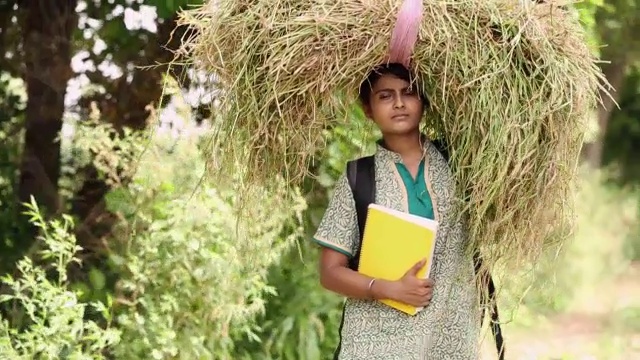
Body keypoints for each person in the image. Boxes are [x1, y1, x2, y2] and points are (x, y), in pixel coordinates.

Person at [313, 63, 480, 359]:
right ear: (368, 109)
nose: (399, 103)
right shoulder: (359, 177)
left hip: (451, 340)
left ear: (424, 101)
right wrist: (388, 289)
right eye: (385, 96)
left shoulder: (462, 163)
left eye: (409, 92)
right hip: (376, 343)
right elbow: (330, 273)